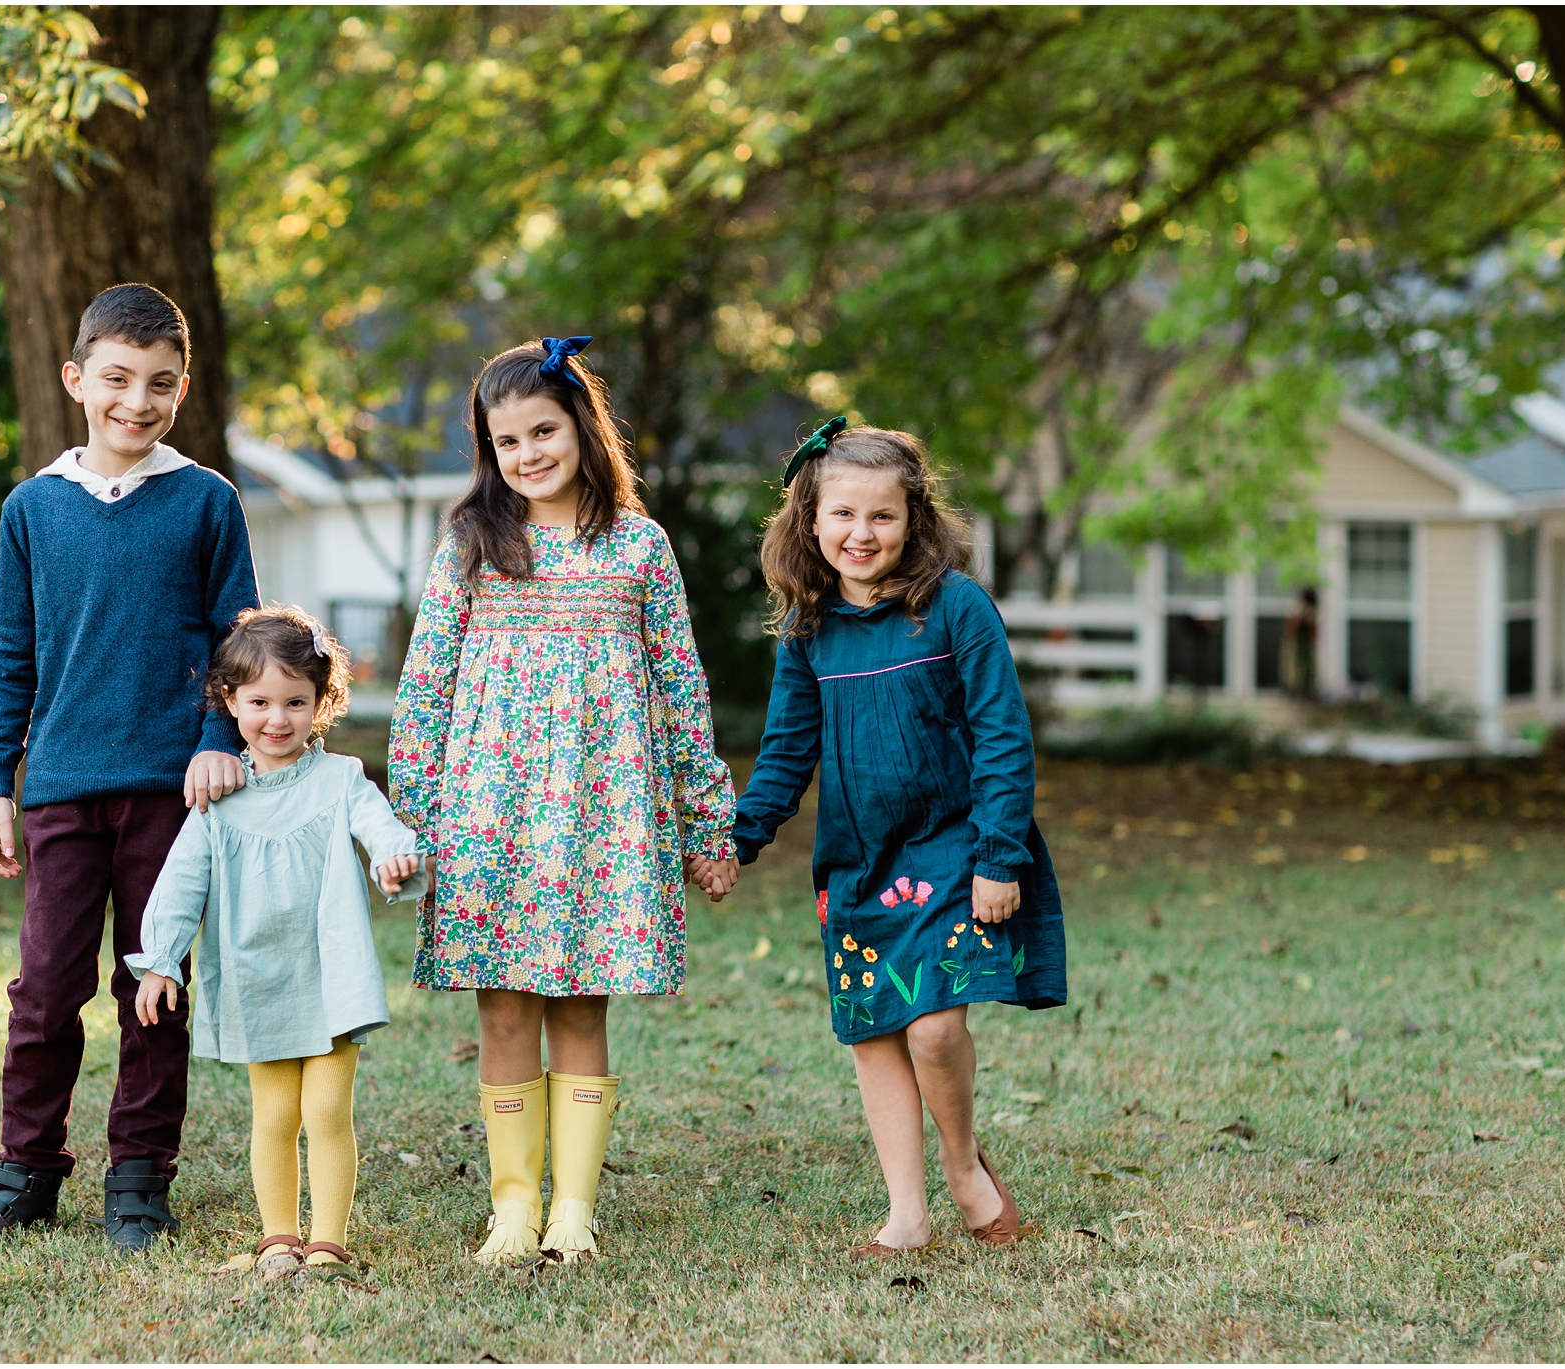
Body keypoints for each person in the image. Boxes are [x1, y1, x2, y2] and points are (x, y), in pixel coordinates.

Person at [389, 336, 738, 1266]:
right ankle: (512, 1205)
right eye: (507, 442)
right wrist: (411, 817)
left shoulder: (640, 548)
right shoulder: (473, 544)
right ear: (489, 453)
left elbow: (682, 690)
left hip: (603, 813)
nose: (529, 453)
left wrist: (707, 820)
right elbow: (427, 686)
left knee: (583, 1006)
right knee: (502, 1007)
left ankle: (573, 1208)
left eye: (544, 430)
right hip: (491, 813)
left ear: (582, 425)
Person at [0, 283, 260, 1251]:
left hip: (172, 790)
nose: (138, 400)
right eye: (119, 379)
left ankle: (138, 1179)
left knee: (151, 982)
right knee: (44, 990)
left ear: (182, 390)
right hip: (59, 790)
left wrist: (220, 744)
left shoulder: (207, 501)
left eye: (161, 384)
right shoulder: (32, 509)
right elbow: (14, 652)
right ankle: (25, 1172)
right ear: (76, 377)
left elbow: (238, 642)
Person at [730, 418, 1067, 1255]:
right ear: (810, 521)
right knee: (876, 1026)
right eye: (842, 515)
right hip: (858, 857)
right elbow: (786, 751)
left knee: (934, 1026)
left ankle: (963, 1165)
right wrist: (736, 839)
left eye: (882, 516)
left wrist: (1000, 855)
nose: (861, 534)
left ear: (915, 521)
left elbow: (1002, 736)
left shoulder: (956, 607)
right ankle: (906, 1213)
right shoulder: (811, 629)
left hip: (954, 847)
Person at [126, 607, 423, 1280]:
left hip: (330, 971)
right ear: (231, 701)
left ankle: (327, 1240)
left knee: (325, 1107)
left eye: (296, 701)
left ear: (322, 703)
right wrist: (160, 958)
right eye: (260, 701)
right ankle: (278, 1236)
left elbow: (382, 827)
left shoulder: (340, 778)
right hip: (257, 974)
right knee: (276, 1111)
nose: (278, 719)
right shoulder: (219, 796)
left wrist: (395, 856)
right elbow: (181, 882)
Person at [1281, 586, 1319, 698]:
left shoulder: (1311, 609)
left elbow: (1313, 630)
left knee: (1308, 668)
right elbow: (1292, 626)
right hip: (1297, 642)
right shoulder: (1300, 608)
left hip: (1306, 642)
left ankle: (1305, 691)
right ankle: (1295, 691)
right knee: (1295, 668)